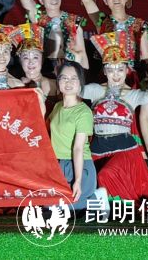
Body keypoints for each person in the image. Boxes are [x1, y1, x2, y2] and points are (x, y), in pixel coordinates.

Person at [82, 32, 148, 203]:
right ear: (104, 71)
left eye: (120, 69)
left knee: (107, 175)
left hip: (124, 150)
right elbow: (72, 88)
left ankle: (124, 210)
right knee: (96, 190)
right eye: (110, 69)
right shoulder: (95, 90)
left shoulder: (132, 94)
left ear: (127, 70)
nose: (116, 74)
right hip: (97, 149)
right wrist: (79, 56)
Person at [48, 61, 107, 212]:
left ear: (80, 84)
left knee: (63, 209)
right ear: (58, 82)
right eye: (64, 78)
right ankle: (89, 201)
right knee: (48, 206)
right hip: (58, 165)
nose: (68, 82)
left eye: (73, 78)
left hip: (78, 166)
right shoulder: (57, 107)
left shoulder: (83, 112)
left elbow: (78, 148)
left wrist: (78, 181)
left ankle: (96, 198)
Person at [9, 23, 58, 100]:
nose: (31, 62)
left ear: (42, 59)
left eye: (35, 57)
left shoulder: (57, 85)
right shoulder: (14, 86)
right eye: (26, 57)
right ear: (20, 60)